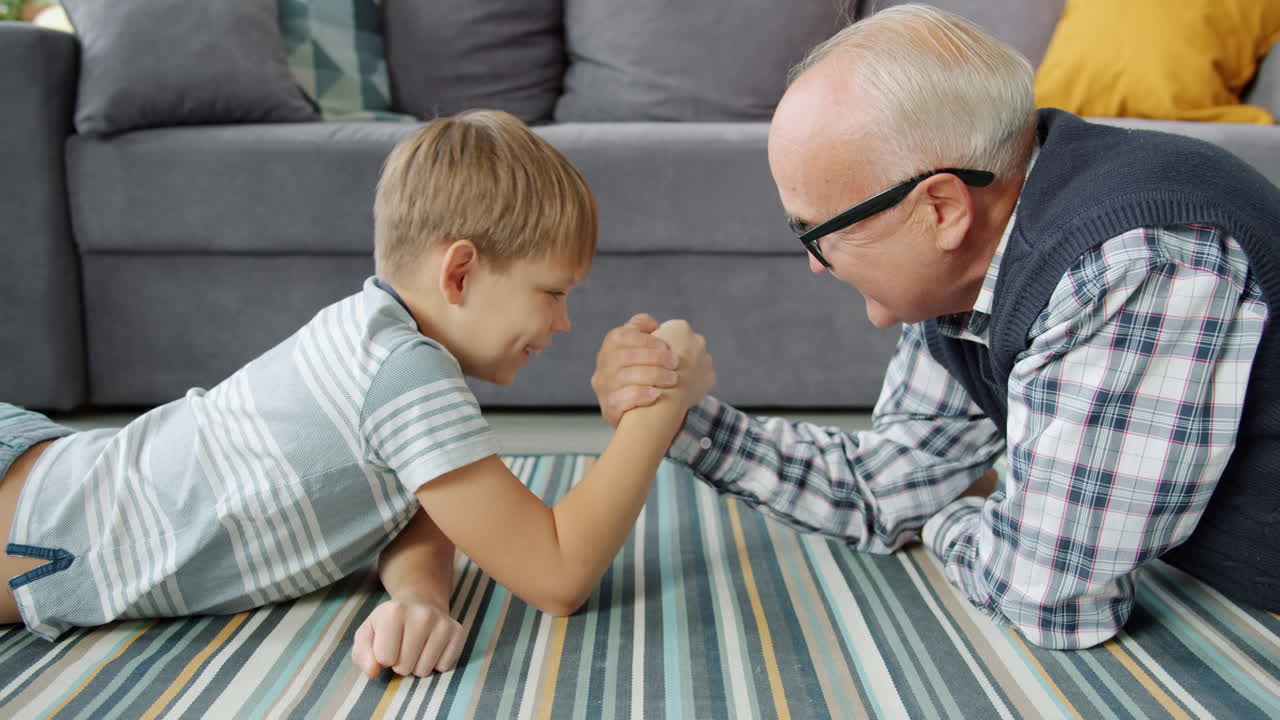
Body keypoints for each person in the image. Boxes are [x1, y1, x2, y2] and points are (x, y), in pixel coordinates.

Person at [591, 4, 1280, 650]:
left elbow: (1048, 600)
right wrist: (679, 417)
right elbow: (889, 487)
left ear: (941, 207)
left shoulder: (1131, 262)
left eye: (819, 233)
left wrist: (956, 513)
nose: (815, 266)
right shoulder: (977, 259)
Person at [0, 110, 716, 678]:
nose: (563, 322)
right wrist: (661, 408)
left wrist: (418, 597)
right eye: (553, 292)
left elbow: (424, 512)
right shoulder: (403, 374)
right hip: (38, 521)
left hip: (46, 464)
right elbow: (557, 575)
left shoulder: (381, 339)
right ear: (460, 272)